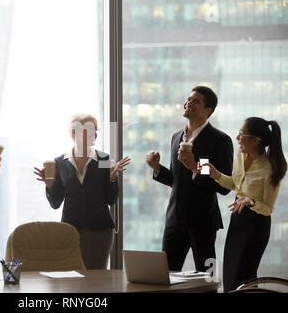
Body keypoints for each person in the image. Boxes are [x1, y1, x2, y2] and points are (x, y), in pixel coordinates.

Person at [145, 86, 234, 272]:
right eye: (189, 99)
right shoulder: (176, 137)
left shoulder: (220, 140)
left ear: (208, 110)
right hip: (174, 219)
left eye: (196, 101)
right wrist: (157, 168)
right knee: (166, 276)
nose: (189, 103)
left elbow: (225, 186)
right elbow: (176, 180)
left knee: (206, 277)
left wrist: (195, 167)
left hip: (202, 220)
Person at [34, 114, 130, 269]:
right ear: (75, 133)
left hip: (100, 230)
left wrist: (112, 179)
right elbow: (55, 203)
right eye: (90, 129)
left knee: (97, 277)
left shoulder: (104, 159)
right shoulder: (59, 162)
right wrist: (50, 186)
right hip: (70, 230)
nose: (96, 134)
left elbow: (111, 199)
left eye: (96, 130)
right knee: (71, 278)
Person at [201, 117, 286, 292]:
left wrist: (251, 201)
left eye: (241, 134)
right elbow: (235, 184)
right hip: (238, 219)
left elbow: (268, 208)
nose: (237, 138)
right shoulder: (240, 155)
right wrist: (216, 174)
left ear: (256, 140)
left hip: (256, 224)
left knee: (244, 276)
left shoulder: (271, 168)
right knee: (231, 275)